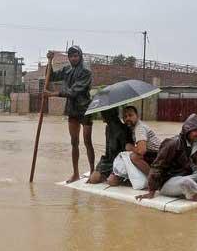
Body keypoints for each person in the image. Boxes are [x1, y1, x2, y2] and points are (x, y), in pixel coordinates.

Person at [136, 114, 197, 202]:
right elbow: (157, 167)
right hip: (168, 183)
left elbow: (195, 166)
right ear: (187, 130)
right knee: (186, 181)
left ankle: (195, 192)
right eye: (195, 130)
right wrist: (151, 191)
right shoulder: (172, 143)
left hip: (186, 178)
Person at [47, 46, 95, 183]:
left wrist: (53, 94)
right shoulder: (67, 69)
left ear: (80, 56)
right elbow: (50, 77)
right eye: (71, 56)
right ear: (68, 57)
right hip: (72, 109)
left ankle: (92, 171)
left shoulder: (86, 71)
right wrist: (50, 62)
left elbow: (74, 92)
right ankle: (75, 173)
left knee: (87, 141)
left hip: (85, 109)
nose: (74, 58)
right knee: (74, 142)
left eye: (76, 56)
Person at [88, 107, 133, 184]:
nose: (101, 115)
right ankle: (108, 174)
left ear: (108, 115)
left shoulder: (123, 130)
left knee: (111, 181)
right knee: (93, 179)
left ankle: (119, 177)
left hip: (120, 162)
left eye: (103, 113)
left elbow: (126, 154)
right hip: (109, 161)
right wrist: (99, 167)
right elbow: (107, 152)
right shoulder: (108, 128)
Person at [120, 105, 162, 175]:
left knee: (135, 157)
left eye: (130, 115)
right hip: (152, 153)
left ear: (137, 116)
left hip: (158, 155)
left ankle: (153, 179)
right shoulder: (133, 128)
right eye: (125, 116)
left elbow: (141, 151)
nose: (128, 118)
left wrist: (130, 147)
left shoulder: (139, 128)